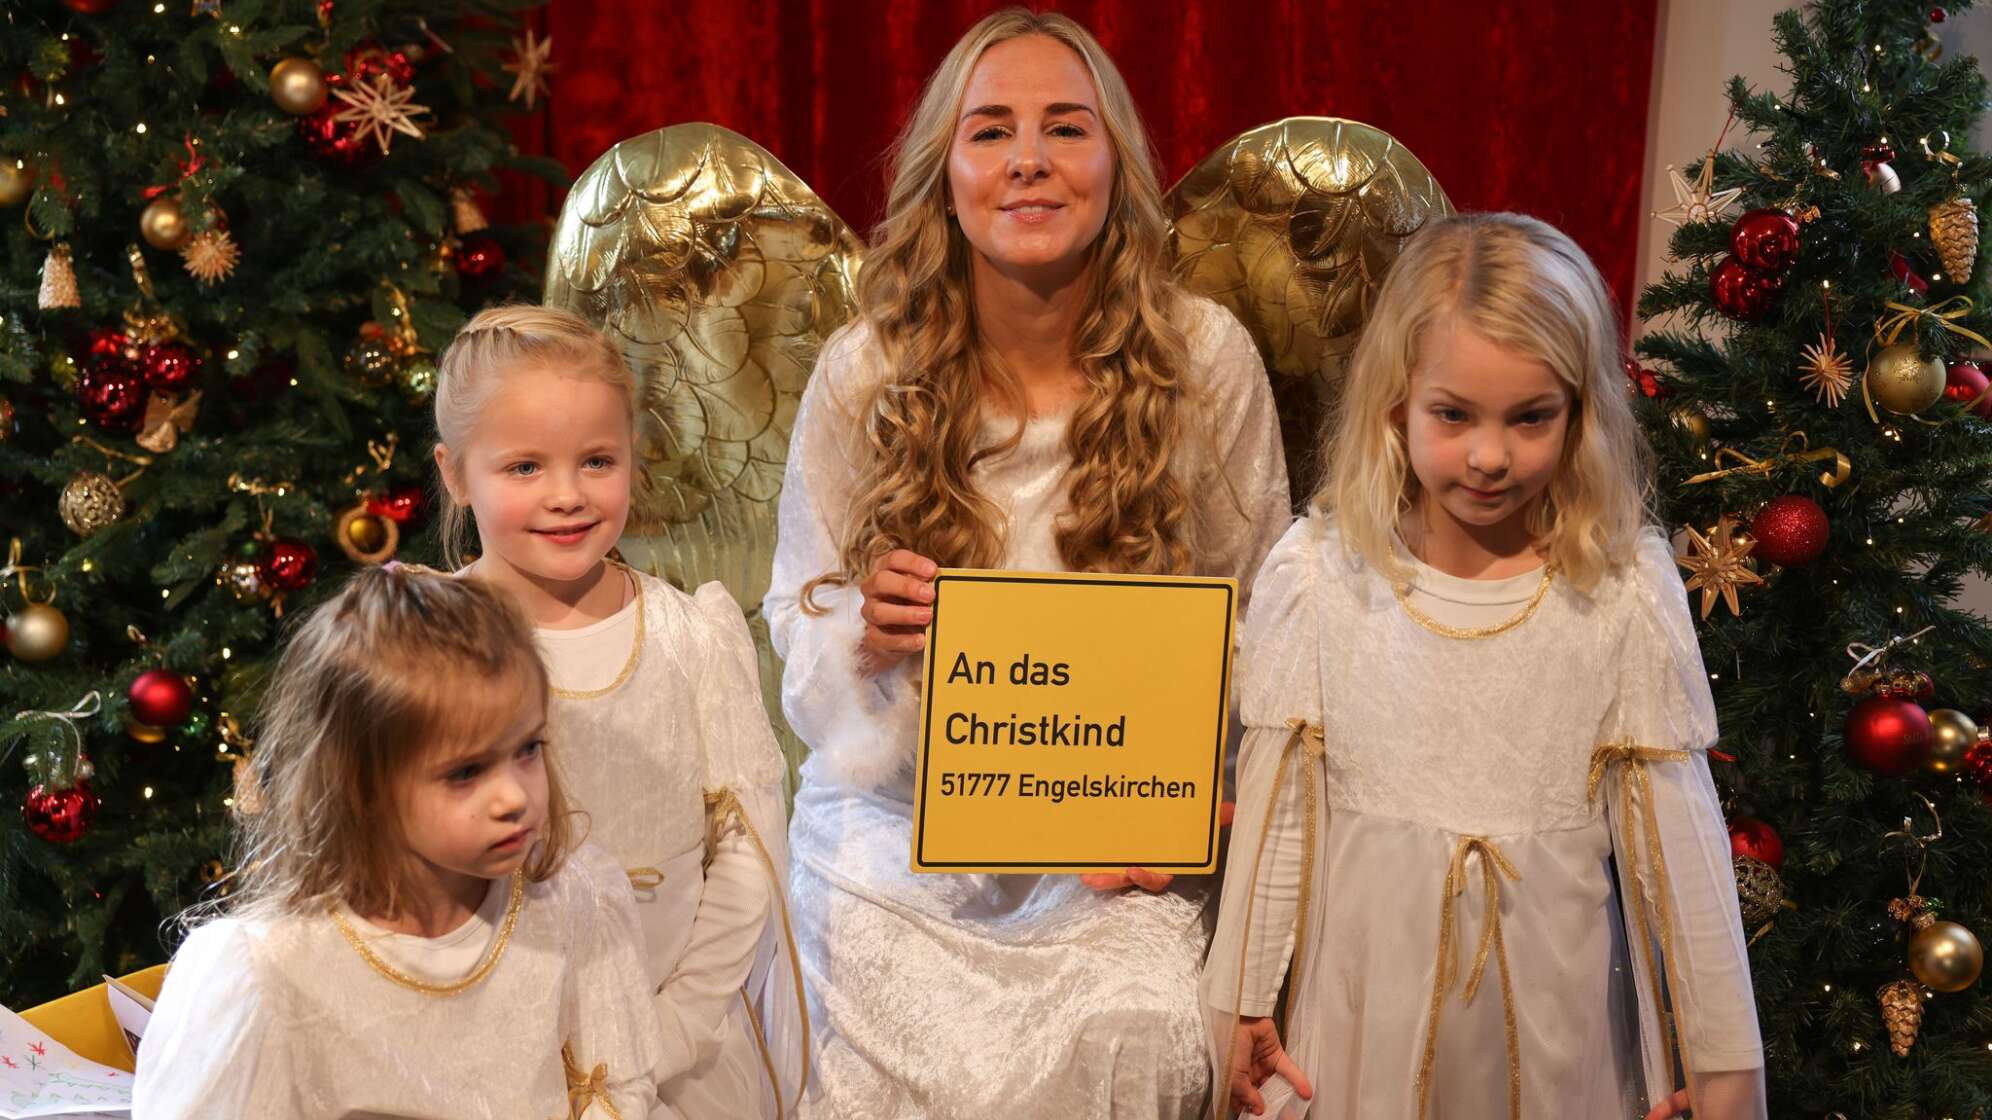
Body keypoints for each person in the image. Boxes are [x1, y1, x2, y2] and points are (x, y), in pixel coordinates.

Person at [764, 8, 1289, 1116]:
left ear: (1116, 166)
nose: (1030, 160)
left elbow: (1263, 620)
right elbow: (794, 607)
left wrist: (1178, 808)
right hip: (894, 828)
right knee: (861, 1021)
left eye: (1065, 128)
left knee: (1136, 1028)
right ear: (944, 174)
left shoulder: (1205, 361)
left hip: (1108, 845)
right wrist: (860, 630)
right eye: (991, 131)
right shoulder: (868, 370)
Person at [1203, 212, 1766, 1120]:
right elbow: (1279, 821)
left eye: (1531, 417)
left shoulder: (1618, 593)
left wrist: (1723, 1071)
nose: (1490, 456)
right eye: (1453, 415)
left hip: (1558, 1027)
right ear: (1397, 402)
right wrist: (1238, 1001)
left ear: (1579, 413)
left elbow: (1681, 858)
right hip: (1357, 1026)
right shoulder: (1322, 578)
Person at [432, 304, 805, 1118]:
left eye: (597, 460)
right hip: (486, 1048)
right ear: (457, 474)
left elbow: (749, 850)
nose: (567, 496)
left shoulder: (689, 638)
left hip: (679, 1043)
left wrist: (669, 1029)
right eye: (524, 467)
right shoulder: (427, 647)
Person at [134, 566, 665, 1119]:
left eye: (527, 749)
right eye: (465, 772)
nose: (513, 796)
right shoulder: (271, 974)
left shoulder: (574, 899)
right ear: (359, 785)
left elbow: (617, 1087)